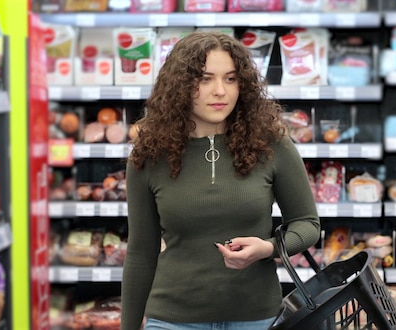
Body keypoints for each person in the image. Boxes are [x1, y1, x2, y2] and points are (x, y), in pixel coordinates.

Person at [121, 31, 321, 330]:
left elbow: (308, 225)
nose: (220, 91)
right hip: (173, 320)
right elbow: (140, 252)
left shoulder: (271, 143)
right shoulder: (150, 155)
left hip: (257, 318)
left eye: (230, 79)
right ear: (180, 85)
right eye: (204, 79)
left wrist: (268, 248)